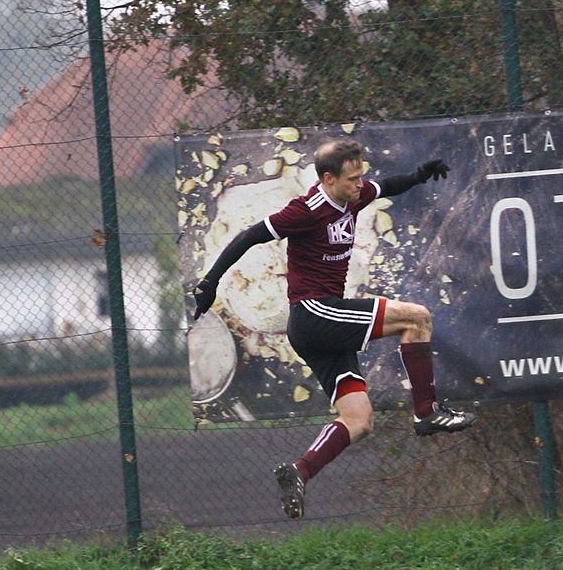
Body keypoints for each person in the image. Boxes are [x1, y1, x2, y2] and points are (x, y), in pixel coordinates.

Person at [192, 139, 476, 519]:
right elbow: (248, 236)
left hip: (319, 326)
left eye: (361, 176)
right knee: (418, 317)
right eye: (352, 179)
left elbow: (387, 186)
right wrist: (209, 284)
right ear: (328, 178)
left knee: (360, 420)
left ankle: (300, 471)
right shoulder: (307, 210)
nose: (360, 184)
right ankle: (426, 412)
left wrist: (419, 175)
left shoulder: (352, 196)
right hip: (315, 312)